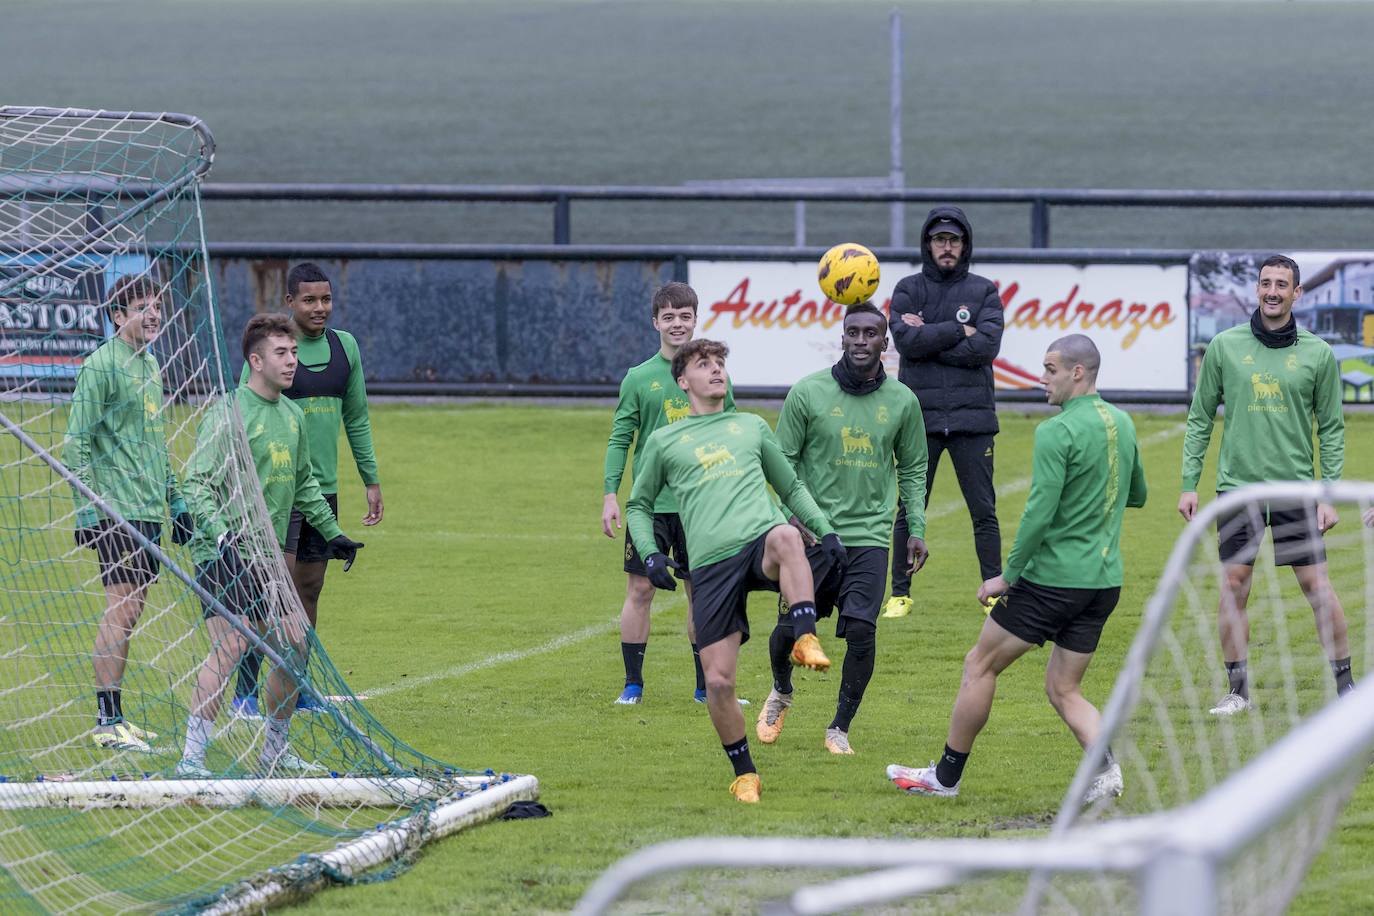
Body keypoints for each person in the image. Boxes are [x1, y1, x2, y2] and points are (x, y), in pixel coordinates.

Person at [888, 335, 1146, 802]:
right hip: (1104, 582)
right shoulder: (1123, 423)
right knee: (1063, 688)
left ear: (1078, 373)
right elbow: (1138, 494)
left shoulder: (1056, 431)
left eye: (1050, 369)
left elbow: (1038, 514)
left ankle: (945, 778)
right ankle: (1106, 772)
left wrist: (1008, 576)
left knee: (978, 665)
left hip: (1052, 580)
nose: (1041, 379)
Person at [627, 339, 842, 803]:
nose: (717, 371)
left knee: (787, 536)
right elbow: (639, 506)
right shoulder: (665, 441)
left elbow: (791, 486)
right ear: (683, 381)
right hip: (708, 567)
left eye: (721, 363)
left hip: (757, 541)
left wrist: (825, 532)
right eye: (705, 365)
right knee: (720, 682)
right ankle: (745, 772)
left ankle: (805, 637)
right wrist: (649, 554)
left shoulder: (750, 426)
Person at [175, 314, 364, 777]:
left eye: (295, 353)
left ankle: (274, 753)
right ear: (255, 361)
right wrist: (221, 533)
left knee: (295, 644)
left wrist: (332, 531)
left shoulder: (293, 415)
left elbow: (305, 487)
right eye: (282, 353)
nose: (292, 361)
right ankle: (191, 759)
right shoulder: (229, 412)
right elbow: (195, 481)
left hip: (266, 556)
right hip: (221, 551)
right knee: (233, 644)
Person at [1179, 254, 1352, 715]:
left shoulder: (1317, 353)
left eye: (1282, 284)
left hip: (1296, 491)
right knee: (1234, 584)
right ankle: (1237, 692)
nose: (1272, 291)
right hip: (1238, 489)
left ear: (1298, 294)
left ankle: (1346, 690)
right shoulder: (1224, 346)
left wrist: (1328, 493)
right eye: (1265, 283)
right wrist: (1188, 483)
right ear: (1257, 290)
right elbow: (1199, 419)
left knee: (1317, 586)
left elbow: (1332, 429)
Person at [761, 302, 929, 755]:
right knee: (789, 630)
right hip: (813, 534)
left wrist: (916, 526)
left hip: (870, 537)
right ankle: (781, 688)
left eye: (870, 333)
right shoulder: (807, 393)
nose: (860, 341)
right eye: (852, 332)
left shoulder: (903, 401)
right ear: (841, 338)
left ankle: (839, 727)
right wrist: (789, 515)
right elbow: (782, 462)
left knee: (861, 631)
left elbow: (914, 467)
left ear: (884, 343)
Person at [232, 263, 383, 718]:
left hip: (322, 492)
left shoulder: (345, 348)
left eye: (326, 299)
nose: (320, 308)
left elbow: (356, 416)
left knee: (308, 592)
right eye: (310, 300)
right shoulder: (271, 353)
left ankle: (294, 685)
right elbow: (245, 416)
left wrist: (370, 478)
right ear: (290, 302)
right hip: (279, 492)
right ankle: (246, 692)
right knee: (270, 594)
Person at [65, 274, 196, 753]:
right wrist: (88, 513)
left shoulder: (151, 365)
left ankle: (116, 715)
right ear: (118, 316)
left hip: (146, 509)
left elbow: (156, 445)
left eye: (157, 305)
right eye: (142, 306)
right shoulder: (101, 366)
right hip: (113, 510)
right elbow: (75, 444)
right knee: (120, 610)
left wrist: (176, 503)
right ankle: (105, 720)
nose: (154, 314)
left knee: (132, 611)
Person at [602, 282, 737, 705]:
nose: (677, 324)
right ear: (655, 322)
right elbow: (620, 439)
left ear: (696, 320)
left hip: (701, 505)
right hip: (651, 507)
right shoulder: (639, 378)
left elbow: (733, 436)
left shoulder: (714, 374)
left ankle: (704, 687)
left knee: (703, 594)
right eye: (669, 317)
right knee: (640, 592)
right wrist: (610, 494)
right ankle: (632, 685)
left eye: (685, 316)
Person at [883, 206, 1004, 618]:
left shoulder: (985, 290)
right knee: (910, 508)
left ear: (965, 245)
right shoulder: (907, 288)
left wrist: (929, 331)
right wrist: (958, 329)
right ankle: (900, 593)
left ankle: (993, 592)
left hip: (974, 421)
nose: (947, 247)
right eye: (940, 240)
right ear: (928, 244)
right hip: (921, 419)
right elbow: (906, 343)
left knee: (983, 511)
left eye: (954, 240)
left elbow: (986, 348)